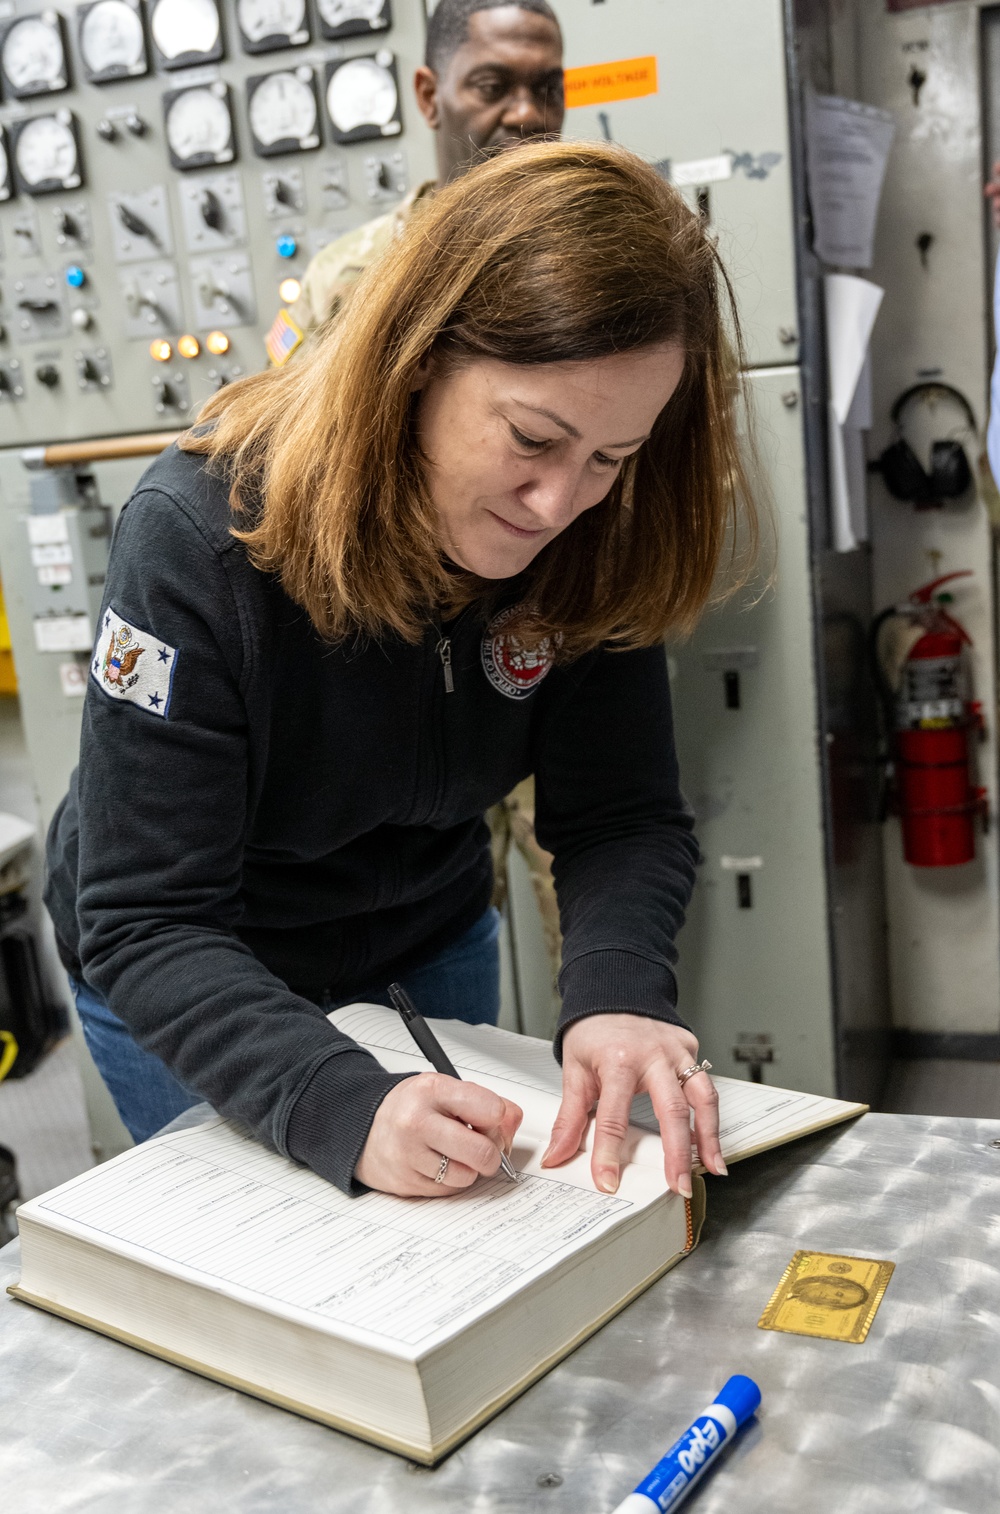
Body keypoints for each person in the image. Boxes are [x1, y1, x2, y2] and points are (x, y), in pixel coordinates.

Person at [46, 141, 753, 1205]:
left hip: (422, 930)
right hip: (196, 956)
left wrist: (616, 991)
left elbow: (619, 814)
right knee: (292, 1279)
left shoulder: (596, 534)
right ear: (420, 356)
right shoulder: (198, 536)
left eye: (609, 458)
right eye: (532, 437)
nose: (559, 503)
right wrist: (335, 1100)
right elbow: (149, 915)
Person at [271, 0, 565, 352]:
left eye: (549, 90)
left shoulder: (602, 253)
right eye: (491, 87)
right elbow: (282, 406)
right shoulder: (347, 278)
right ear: (429, 97)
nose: (528, 114)